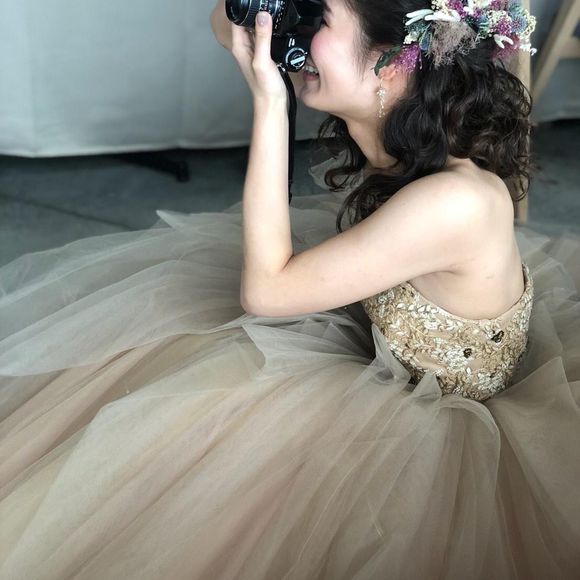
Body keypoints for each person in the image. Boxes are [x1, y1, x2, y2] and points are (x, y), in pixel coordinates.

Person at [1, 0, 579, 578]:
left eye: (318, 19)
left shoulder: (455, 201)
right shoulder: (406, 137)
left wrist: (270, 103)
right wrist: (266, 19)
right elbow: (225, 22)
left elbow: (267, 291)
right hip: (379, 354)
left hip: (441, 431)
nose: (302, 36)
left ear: (392, 62)